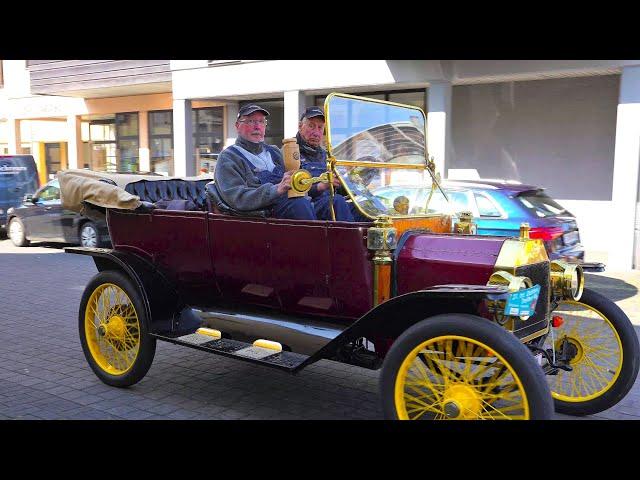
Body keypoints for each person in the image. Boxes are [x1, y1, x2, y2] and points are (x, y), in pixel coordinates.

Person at [214, 104, 316, 220]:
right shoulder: (229, 157)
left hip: (292, 208)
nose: (257, 127)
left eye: (261, 122)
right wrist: (276, 189)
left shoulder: (275, 152)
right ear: (237, 126)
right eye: (251, 121)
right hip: (260, 218)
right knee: (300, 205)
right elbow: (237, 198)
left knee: (333, 202)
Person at [295, 106, 356, 221]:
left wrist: (350, 181)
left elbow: (338, 189)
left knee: (363, 206)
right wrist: (320, 186)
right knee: (337, 201)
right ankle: (350, 239)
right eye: (311, 126)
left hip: (331, 204)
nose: (316, 132)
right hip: (308, 208)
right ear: (300, 126)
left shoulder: (326, 155)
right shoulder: (290, 152)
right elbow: (289, 189)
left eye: (320, 127)